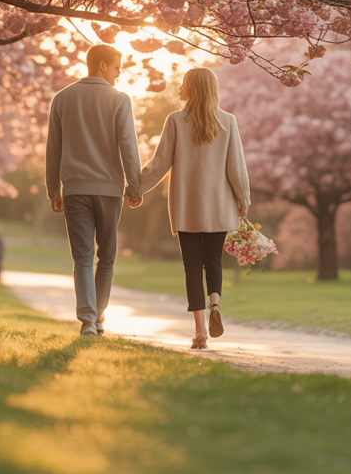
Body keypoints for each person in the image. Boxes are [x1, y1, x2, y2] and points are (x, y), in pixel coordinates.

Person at [139, 67, 250, 349]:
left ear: (191, 88)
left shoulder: (176, 121)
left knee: (191, 267)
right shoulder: (228, 121)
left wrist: (135, 187)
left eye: (183, 84)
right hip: (219, 206)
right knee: (213, 261)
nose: (179, 89)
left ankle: (200, 331)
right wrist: (243, 198)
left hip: (187, 206)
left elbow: (160, 162)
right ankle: (215, 305)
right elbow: (236, 166)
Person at [46, 44, 143, 336]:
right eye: (116, 66)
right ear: (102, 65)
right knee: (107, 258)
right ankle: (98, 317)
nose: (119, 72)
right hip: (110, 191)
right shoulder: (119, 100)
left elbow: (53, 148)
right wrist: (134, 186)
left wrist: (54, 189)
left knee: (83, 257)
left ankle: (88, 320)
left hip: (74, 189)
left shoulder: (62, 99)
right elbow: (128, 145)